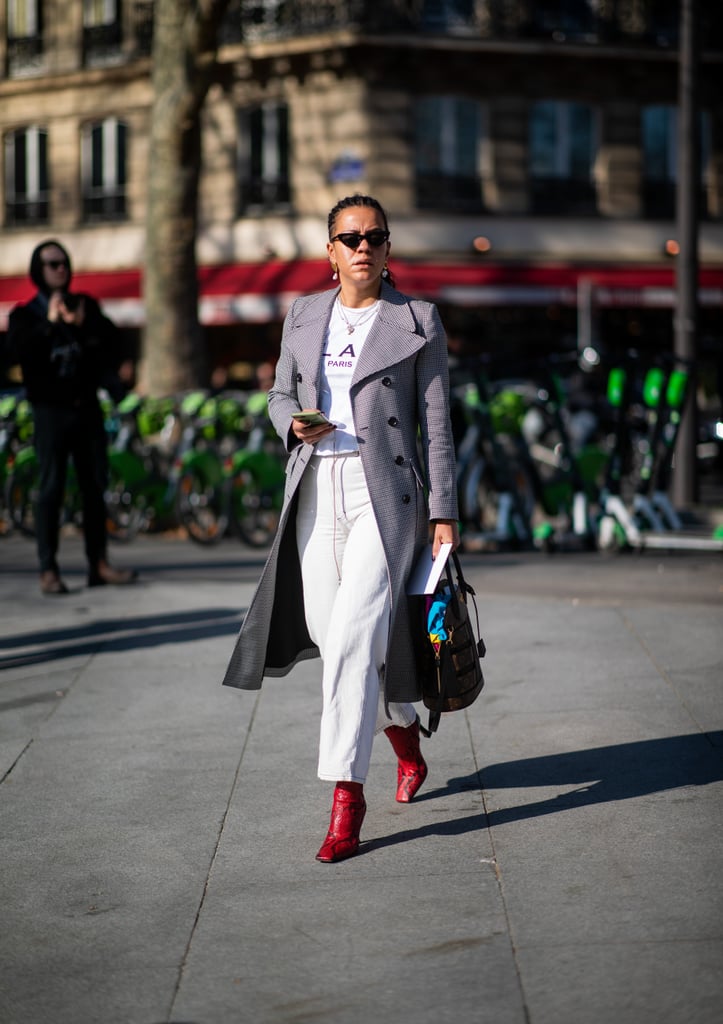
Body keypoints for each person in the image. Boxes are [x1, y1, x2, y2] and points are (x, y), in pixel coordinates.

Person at [222, 194, 459, 862]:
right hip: (314, 492)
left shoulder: (417, 320)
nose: (362, 247)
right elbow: (276, 393)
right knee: (341, 650)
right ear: (330, 251)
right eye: (348, 237)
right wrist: (289, 421)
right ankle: (405, 739)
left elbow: (436, 425)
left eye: (374, 237)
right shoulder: (302, 314)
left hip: (383, 497)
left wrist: (444, 514)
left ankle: (344, 799)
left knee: (355, 639)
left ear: (387, 250)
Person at [6, 239, 137, 595]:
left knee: (94, 486)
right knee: (50, 488)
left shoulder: (86, 306)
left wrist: (83, 325)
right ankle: (48, 569)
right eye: (51, 263)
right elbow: (16, 353)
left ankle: (99, 564)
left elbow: (115, 343)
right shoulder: (25, 314)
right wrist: (49, 325)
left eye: (63, 262)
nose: (59, 268)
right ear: (38, 269)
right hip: (50, 412)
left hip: (87, 410)